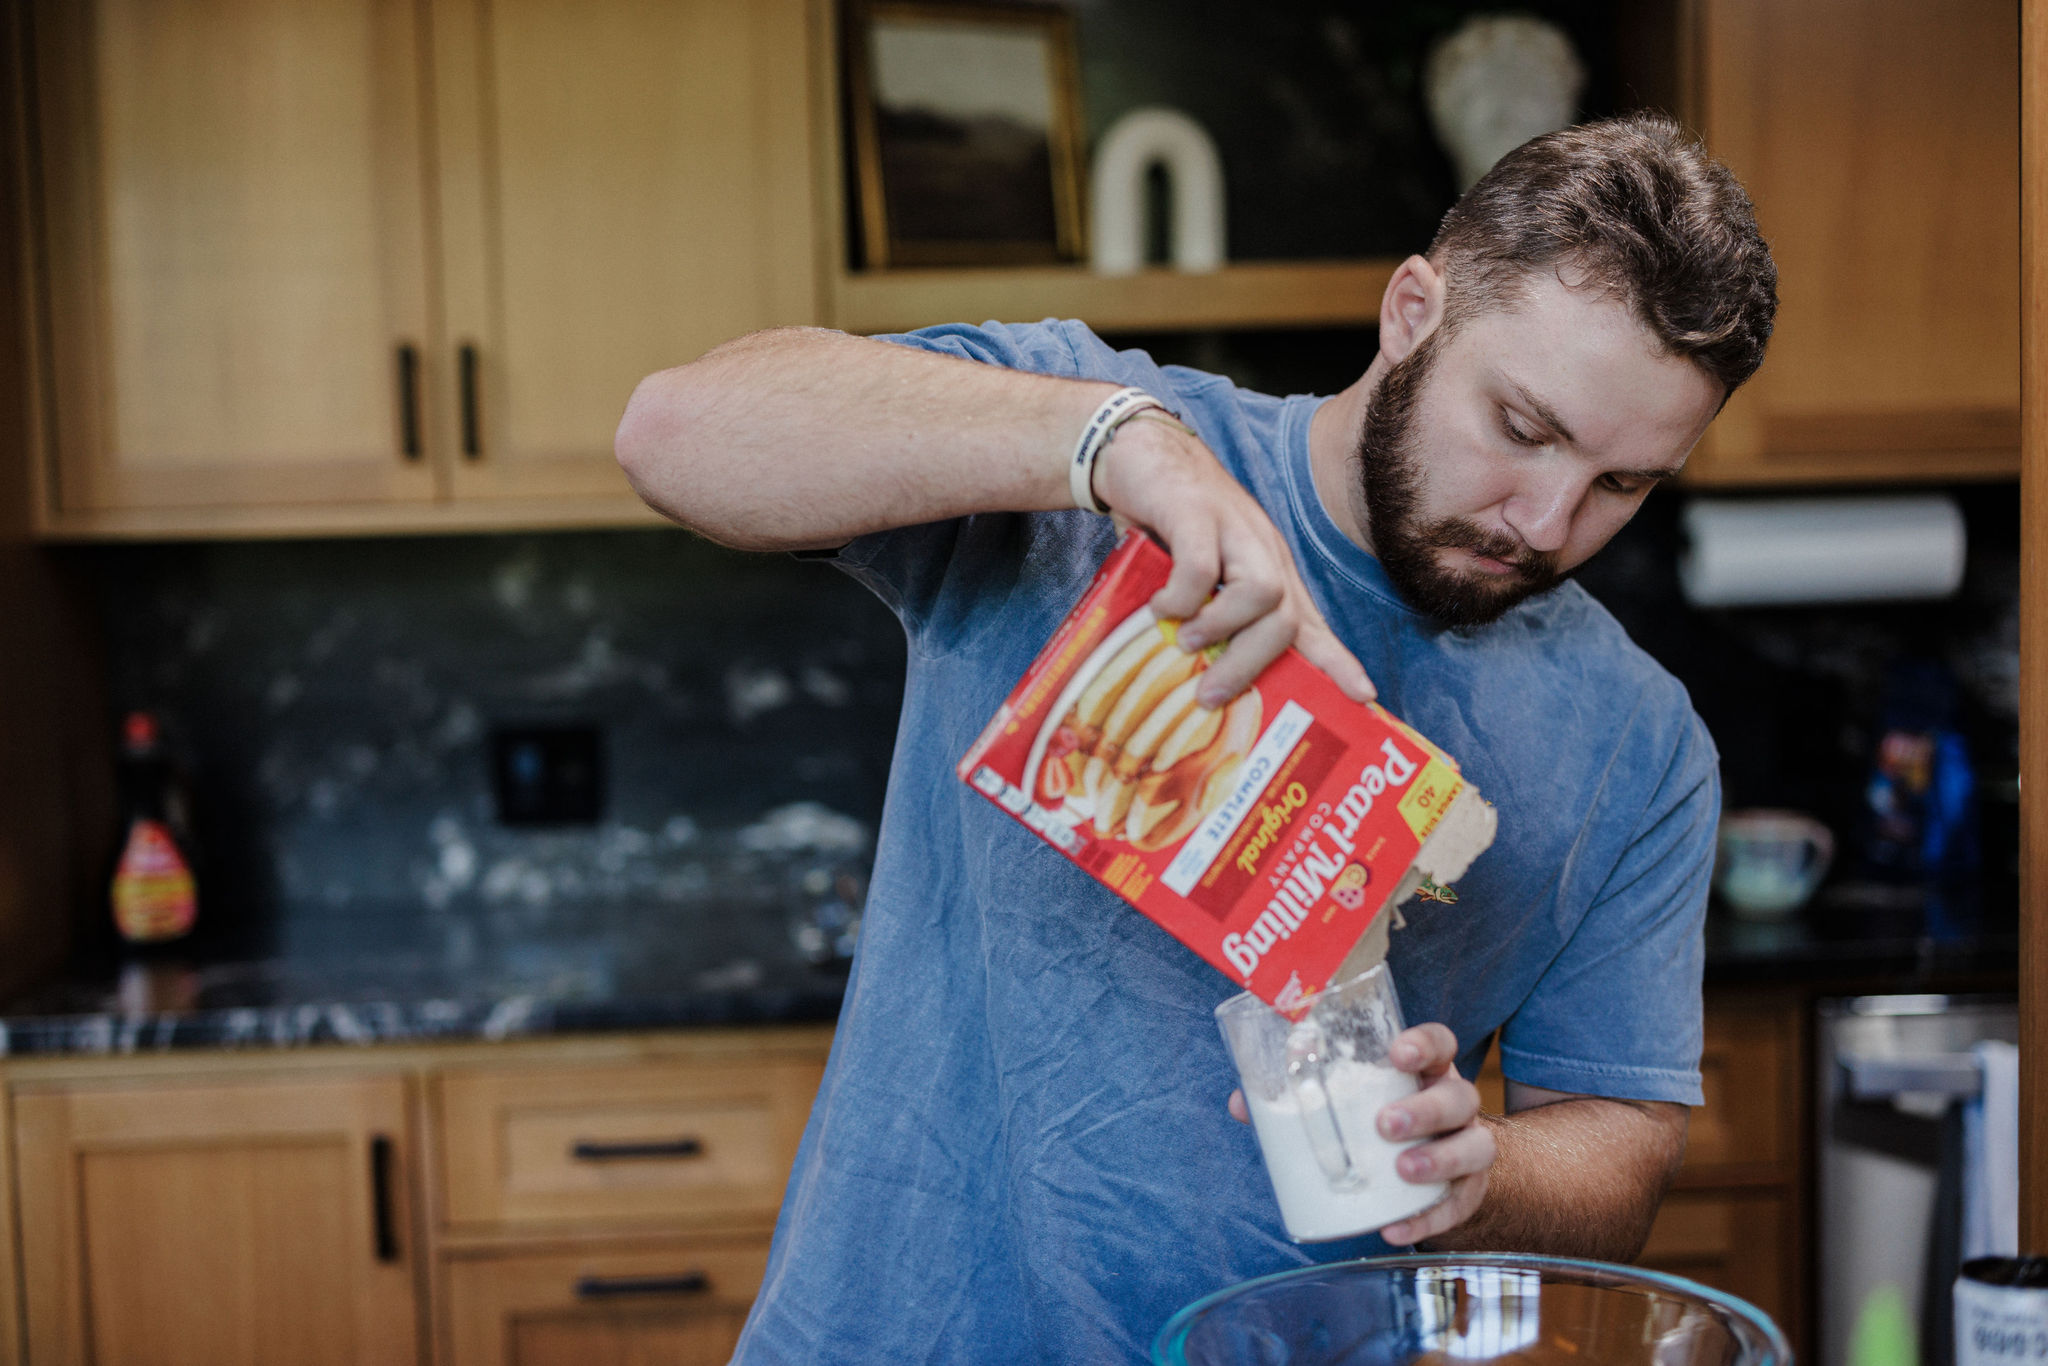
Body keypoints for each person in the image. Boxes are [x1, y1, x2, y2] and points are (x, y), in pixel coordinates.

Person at [615, 112, 1778, 1361]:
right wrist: (1111, 447)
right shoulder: (1087, 452)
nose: (1546, 522)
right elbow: (671, 434)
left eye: (1623, 484)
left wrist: (1476, 1167)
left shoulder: (1639, 745)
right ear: (1410, 311)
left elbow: (1620, 1141)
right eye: (1521, 428)